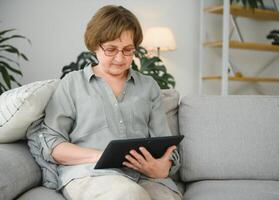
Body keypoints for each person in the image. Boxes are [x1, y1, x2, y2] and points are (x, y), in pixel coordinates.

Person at [32, 5, 182, 200]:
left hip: (146, 177)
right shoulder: (72, 83)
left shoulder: (148, 86)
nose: (120, 58)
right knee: (128, 195)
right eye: (111, 49)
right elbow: (53, 144)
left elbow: (166, 146)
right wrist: (101, 155)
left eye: (128, 50)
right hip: (90, 173)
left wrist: (163, 167)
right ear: (95, 45)